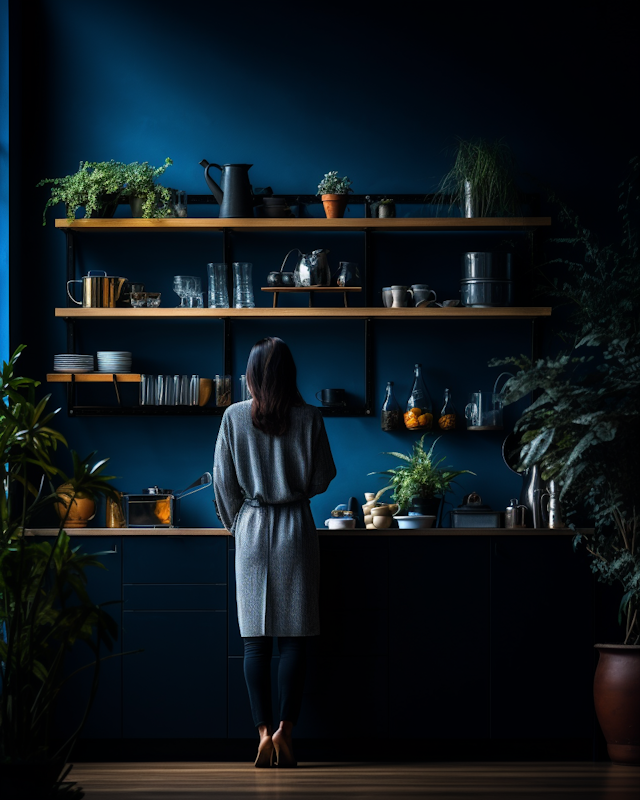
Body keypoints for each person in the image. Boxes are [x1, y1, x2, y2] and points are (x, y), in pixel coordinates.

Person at [213, 337, 336, 768]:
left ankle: (262, 733)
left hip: (250, 528)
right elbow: (322, 478)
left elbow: (222, 483)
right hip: (296, 528)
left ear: (250, 376)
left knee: (255, 644)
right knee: (295, 639)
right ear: (290, 376)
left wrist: (239, 525)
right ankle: (286, 731)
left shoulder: (232, 418)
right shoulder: (310, 418)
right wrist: (294, 488)